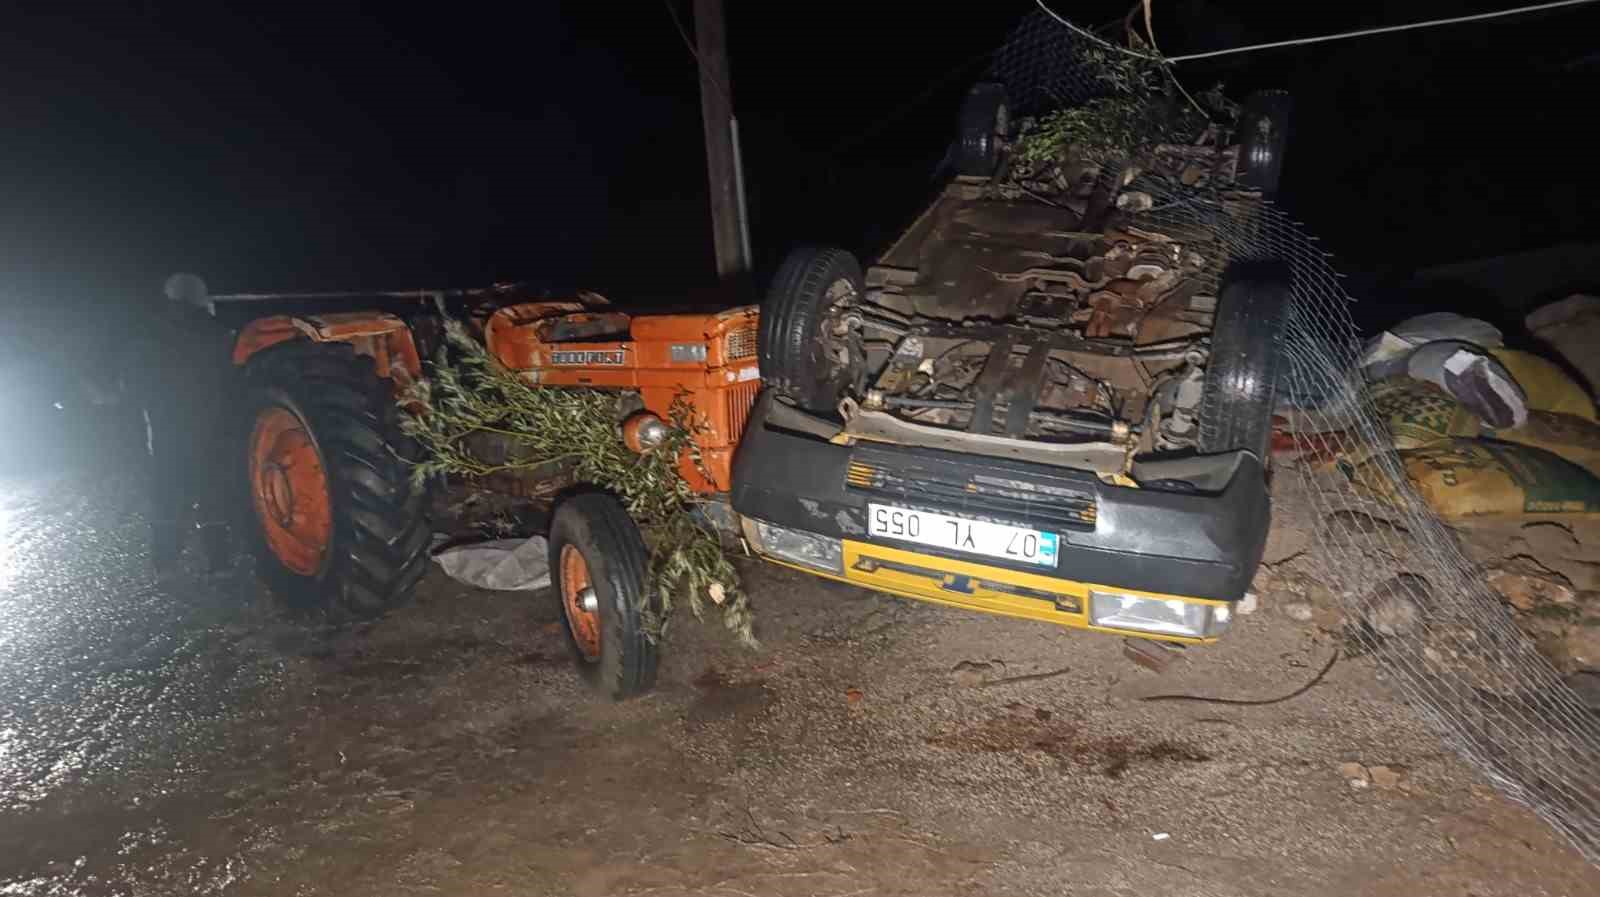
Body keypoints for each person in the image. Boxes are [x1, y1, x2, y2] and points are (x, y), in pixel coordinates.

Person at [121, 273, 237, 576]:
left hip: (166, 433)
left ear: (169, 300)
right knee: (213, 494)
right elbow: (235, 382)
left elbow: (132, 387)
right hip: (213, 431)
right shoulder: (221, 335)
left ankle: (165, 561)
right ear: (202, 299)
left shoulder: (147, 339)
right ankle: (219, 561)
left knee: (166, 492)